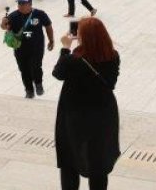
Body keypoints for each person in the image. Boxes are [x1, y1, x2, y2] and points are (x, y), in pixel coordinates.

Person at [54, 17, 120, 190]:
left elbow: (58, 73)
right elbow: (111, 83)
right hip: (103, 115)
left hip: (74, 115)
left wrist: (65, 48)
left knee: (70, 160)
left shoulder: (72, 60)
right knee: (98, 162)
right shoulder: (112, 56)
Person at [0, 0, 54, 98]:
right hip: (20, 48)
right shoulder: (13, 16)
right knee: (23, 69)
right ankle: (29, 90)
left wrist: (51, 40)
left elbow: (48, 26)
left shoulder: (40, 14)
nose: (20, 5)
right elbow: (4, 27)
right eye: (19, 3)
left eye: (23, 3)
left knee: (36, 67)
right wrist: (3, 23)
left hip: (36, 47)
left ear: (30, 4)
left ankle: (38, 83)